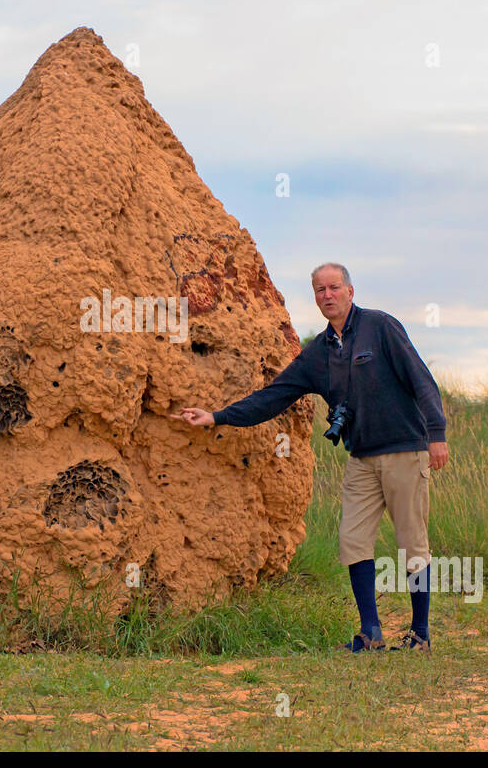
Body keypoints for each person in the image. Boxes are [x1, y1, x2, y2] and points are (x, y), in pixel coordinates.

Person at [173, 262, 448, 653]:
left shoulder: (381, 327)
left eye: (334, 287)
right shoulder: (318, 353)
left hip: (405, 450)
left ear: (350, 291)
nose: (327, 295)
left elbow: (422, 379)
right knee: (353, 541)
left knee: (413, 545)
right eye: (319, 290)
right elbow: (274, 396)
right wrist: (216, 416)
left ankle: (420, 634)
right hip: (362, 458)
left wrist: (436, 434)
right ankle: (370, 634)